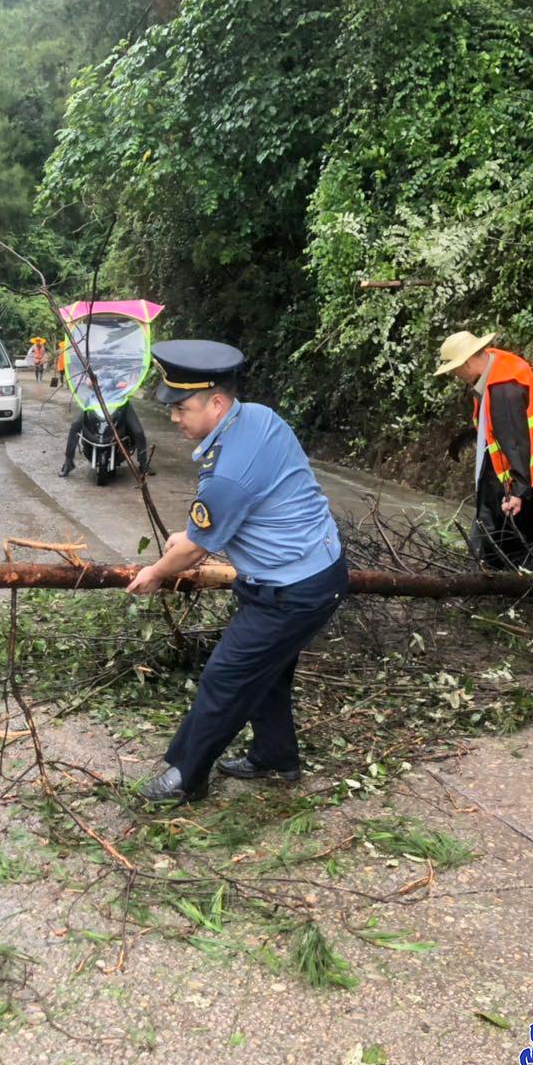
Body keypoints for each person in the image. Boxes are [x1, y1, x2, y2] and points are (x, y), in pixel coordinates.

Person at [125, 340, 347, 803]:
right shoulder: (259, 418)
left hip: (291, 591)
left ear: (217, 402)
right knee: (268, 671)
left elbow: (196, 549)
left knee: (225, 677)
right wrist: (191, 538)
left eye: (181, 408)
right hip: (313, 571)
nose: (174, 418)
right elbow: (218, 525)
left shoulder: (228, 473)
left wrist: (157, 571)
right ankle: (276, 758)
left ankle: (186, 777)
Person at [434, 330, 533, 569]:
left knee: (511, 541)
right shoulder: (495, 362)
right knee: (495, 526)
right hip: (532, 461)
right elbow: (498, 426)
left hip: (531, 467)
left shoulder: (503, 390)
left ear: (467, 363)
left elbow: (514, 441)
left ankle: (520, 589)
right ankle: (493, 572)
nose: (456, 376)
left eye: (455, 370)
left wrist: (517, 491)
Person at [59, 393, 150, 478]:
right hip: (93, 399)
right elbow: (83, 380)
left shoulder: (121, 375)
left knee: (138, 432)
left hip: (119, 400)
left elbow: (131, 380)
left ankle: (143, 463)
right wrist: (87, 381)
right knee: (75, 425)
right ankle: (68, 462)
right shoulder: (93, 376)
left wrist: (126, 384)